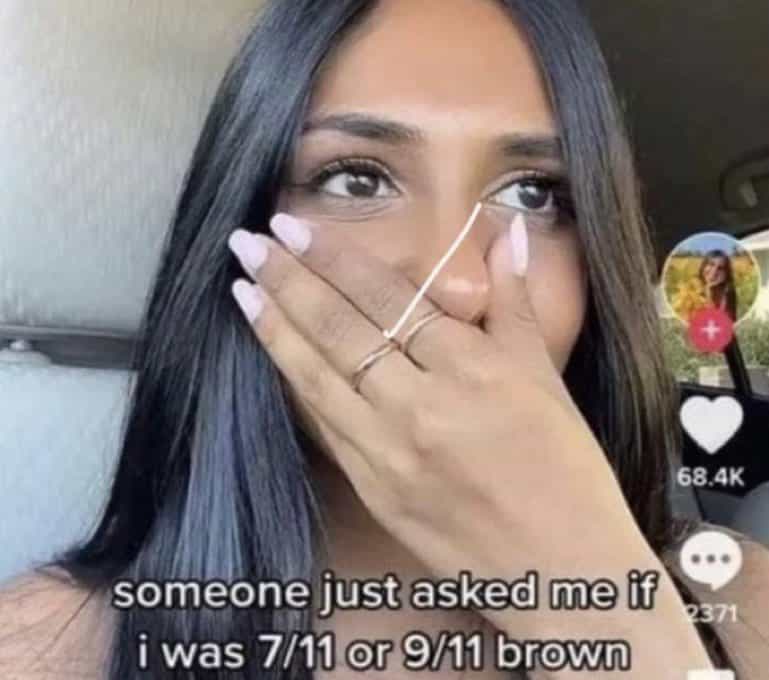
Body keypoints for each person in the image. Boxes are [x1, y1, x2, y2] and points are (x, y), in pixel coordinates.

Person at [1, 0, 767, 678]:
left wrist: (603, 612)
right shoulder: (47, 648)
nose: (456, 284)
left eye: (532, 194)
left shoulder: (741, 601)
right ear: (240, 230)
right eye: (358, 180)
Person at [699, 249, 738, 321]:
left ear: (726, 274)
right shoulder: (690, 289)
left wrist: (709, 294)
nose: (714, 271)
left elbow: (725, 322)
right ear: (704, 266)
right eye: (711, 264)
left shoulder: (728, 292)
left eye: (720, 268)